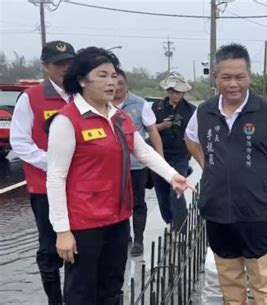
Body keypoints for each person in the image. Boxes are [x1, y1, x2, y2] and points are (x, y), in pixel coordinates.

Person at [46, 47, 194, 305]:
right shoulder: (68, 121)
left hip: (117, 217)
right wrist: (62, 231)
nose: (112, 82)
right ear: (82, 80)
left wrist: (172, 176)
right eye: (102, 75)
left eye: (114, 76)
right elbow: (55, 177)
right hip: (84, 223)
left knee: (113, 286)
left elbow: (143, 151)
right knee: (81, 290)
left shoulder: (119, 117)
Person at [185, 43, 267, 305]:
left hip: (257, 212)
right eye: (226, 77)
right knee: (230, 282)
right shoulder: (205, 111)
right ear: (215, 78)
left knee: (264, 283)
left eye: (239, 77)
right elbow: (189, 138)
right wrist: (208, 164)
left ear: (249, 76)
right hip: (218, 211)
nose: (233, 84)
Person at [10, 40, 76, 305]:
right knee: (50, 249)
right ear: (45, 66)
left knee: (79, 246)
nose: (66, 69)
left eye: (70, 64)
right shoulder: (32, 97)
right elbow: (20, 141)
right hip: (45, 187)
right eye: (59, 64)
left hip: (81, 186)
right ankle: (54, 300)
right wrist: (52, 163)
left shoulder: (81, 94)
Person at [112, 68, 163, 256]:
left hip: (136, 165)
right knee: (118, 202)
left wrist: (159, 160)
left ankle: (139, 240)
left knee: (137, 202)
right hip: (112, 167)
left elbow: (152, 131)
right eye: (113, 83)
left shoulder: (140, 104)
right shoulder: (101, 103)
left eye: (121, 83)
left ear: (127, 84)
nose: (116, 87)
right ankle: (124, 236)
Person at [151, 72, 195, 232]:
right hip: (159, 156)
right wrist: (161, 126)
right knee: (162, 193)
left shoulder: (191, 110)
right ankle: (170, 221)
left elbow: (196, 133)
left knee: (176, 191)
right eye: (171, 91)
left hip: (181, 156)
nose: (174, 94)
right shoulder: (156, 107)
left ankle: (181, 228)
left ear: (183, 92)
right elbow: (148, 129)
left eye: (177, 91)